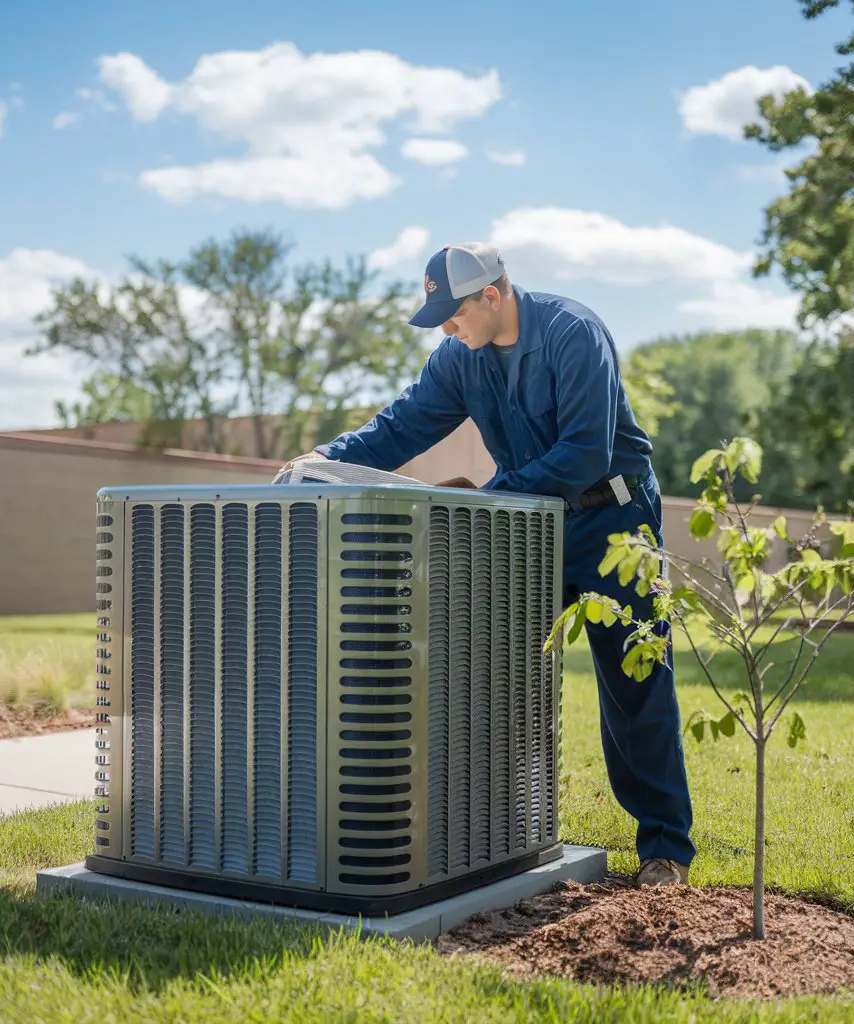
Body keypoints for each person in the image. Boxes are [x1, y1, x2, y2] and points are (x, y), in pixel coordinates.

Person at [283, 242, 695, 886]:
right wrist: (322, 460)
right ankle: (494, 829)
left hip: (615, 521)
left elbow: (586, 453)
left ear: (494, 295)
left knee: (633, 680)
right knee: (491, 674)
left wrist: (493, 495)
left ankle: (665, 848)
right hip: (531, 521)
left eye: (454, 314)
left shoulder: (574, 334)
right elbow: (401, 427)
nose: (447, 328)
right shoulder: (458, 359)